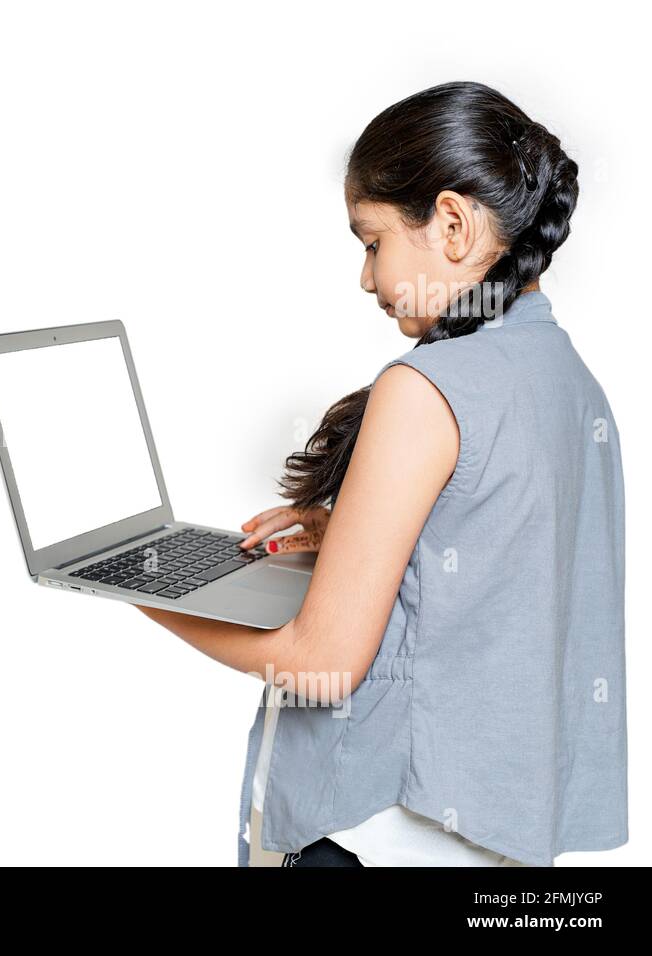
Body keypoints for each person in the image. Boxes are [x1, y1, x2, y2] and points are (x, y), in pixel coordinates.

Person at [138, 81, 628, 867]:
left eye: (372, 243)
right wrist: (365, 528)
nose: (367, 279)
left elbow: (320, 664)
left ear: (455, 223)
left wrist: (143, 587)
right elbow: (509, 567)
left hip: (368, 834)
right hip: (490, 847)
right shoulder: (567, 378)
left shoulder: (423, 390)